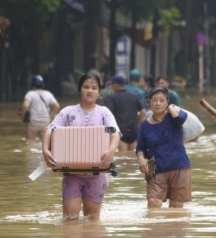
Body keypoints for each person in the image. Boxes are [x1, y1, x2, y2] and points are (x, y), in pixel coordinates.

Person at [42, 72, 121, 221]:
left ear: (99, 92)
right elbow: (50, 129)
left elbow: (114, 132)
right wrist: (45, 150)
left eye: (94, 87)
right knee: (70, 218)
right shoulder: (67, 112)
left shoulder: (104, 113)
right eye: (86, 87)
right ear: (80, 90)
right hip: (71, 174)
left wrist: (111, 151)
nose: (90, 90)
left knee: (92, 219)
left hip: (97, 175)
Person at [136, 87, 192, 209]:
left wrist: (171, 108)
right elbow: (140, 148)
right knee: (153, 203)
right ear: (149, 102)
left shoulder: (174, 117)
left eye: (162, 100)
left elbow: (182, 119)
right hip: (154, 168)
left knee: (176, 207)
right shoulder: (145, 125)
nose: (158, 103)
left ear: (167, 102)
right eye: (155, 100)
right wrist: (141, 159)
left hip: (179, 167)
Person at [105, 74, 146, 152]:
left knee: (122, 157)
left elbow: (108, 115)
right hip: (133, 131)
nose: (111, 87)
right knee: (132, 157)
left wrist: (108, 132)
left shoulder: (113, 98)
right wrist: (140, 125)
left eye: (112, 84)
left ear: (116, 85)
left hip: (120, 132)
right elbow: (143, 112)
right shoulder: (133, 96)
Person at [20, 75, 60, 140]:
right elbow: (57, 106)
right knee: (45, 143)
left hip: (33, 121)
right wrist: (50, 117)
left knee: (31, 142)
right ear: (42, 85)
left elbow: (25, 106)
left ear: (32, 85)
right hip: (45, 121)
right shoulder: (48, 94)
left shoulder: (30, 94)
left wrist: (22, 117)